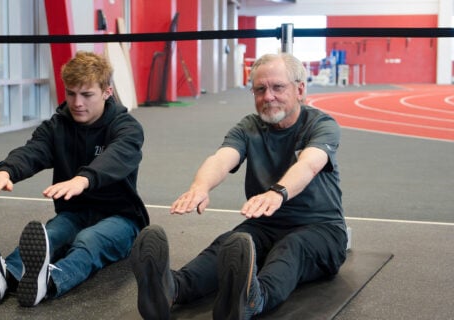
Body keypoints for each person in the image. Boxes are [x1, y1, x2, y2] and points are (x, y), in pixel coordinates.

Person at [130, 52, 348, 319]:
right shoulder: (248, 127)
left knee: (292, 248)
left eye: (278, 87)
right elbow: (221, 159)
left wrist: (278, 192)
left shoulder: (321, 125)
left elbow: (309, 164)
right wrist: (200, 187)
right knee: (230, 245)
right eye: (260, 89)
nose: (268, 96)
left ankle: (255, 299)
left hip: (321, 229)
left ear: (300, 90)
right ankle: (172, 289)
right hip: (265, 223)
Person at [0, 51, 149, 307]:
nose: (77, 103)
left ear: (107, 92)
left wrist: (82, 180)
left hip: (121, 218)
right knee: (51, 234)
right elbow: (34, 150)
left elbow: (118, 156)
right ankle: (5, 273)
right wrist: (6, 170)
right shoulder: (57, 126)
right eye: (70, 93)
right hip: (75, 212)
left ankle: (49, 282)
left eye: (86, 95)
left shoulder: (126, 127)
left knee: (88, 241)